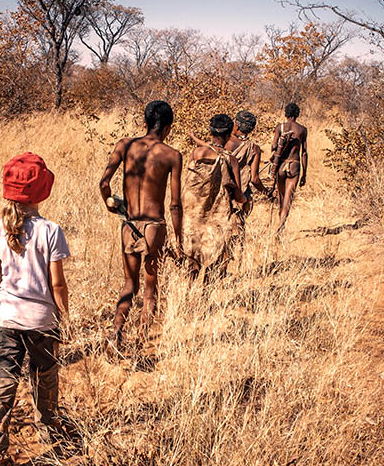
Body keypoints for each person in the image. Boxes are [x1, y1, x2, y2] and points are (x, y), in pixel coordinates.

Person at [0, 152, 70, 466]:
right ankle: (52, 438)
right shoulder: (51, 231)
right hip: (42, 320)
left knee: (0, 387)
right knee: (44, 379)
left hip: (5, 319)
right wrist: (65, 318)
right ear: (42, 191)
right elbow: (57, 283)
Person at [99, 100, 182, 347]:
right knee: (150, 290)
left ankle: (116, 333)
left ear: (144, 123)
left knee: (129, 284)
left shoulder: (125, 146)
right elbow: (175, 204)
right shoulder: (172, 155)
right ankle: (140, 343)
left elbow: (104, 183)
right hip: (155, 226)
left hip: (130, 224)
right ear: (168, 128)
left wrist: (110, 204)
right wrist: (178, 240)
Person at [182, 114, 247, 279]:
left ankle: (188, 296)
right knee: (215, 258)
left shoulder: (196, 153)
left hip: (192, 214)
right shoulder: (230, 159)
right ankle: (206, 294)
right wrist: (247, 201)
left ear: (210, 132)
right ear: (228, 135)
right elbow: (238, 195)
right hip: (216, 218)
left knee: (192, 258)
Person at [269, 102, 308, 232]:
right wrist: (304, 174)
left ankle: (280, 221)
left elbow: (273, 147)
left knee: (281, 196)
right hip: (295, 165)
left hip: (281, 165)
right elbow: (304, 153)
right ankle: (281, 225)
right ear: (297, 114)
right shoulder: (302, 130)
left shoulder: (280, 127)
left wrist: (280, 144)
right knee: (288, 197)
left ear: (286, 114)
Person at [225, 110, 270, 215]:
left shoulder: (223, 140)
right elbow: (255, 179)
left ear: (236, 125)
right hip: (239, 192)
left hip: (219, 189)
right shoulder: (254, 149)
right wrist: (267, 192)